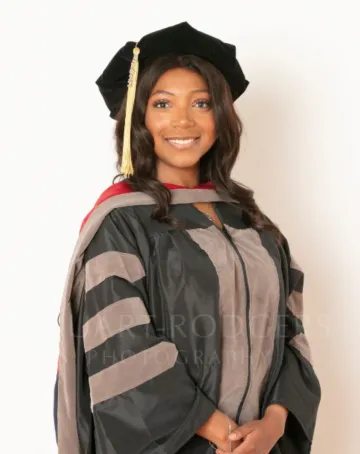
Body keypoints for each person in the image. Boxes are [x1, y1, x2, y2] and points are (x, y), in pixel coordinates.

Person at [53, 22, 321, 454]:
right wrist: (221, 434)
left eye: (202, 103)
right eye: (162, 103)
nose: (182, 120)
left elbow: (291, 332)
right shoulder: (121, 222)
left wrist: (274, 421)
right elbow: (121, 348)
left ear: (221, 118)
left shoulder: (254, 223)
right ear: (140, 118)